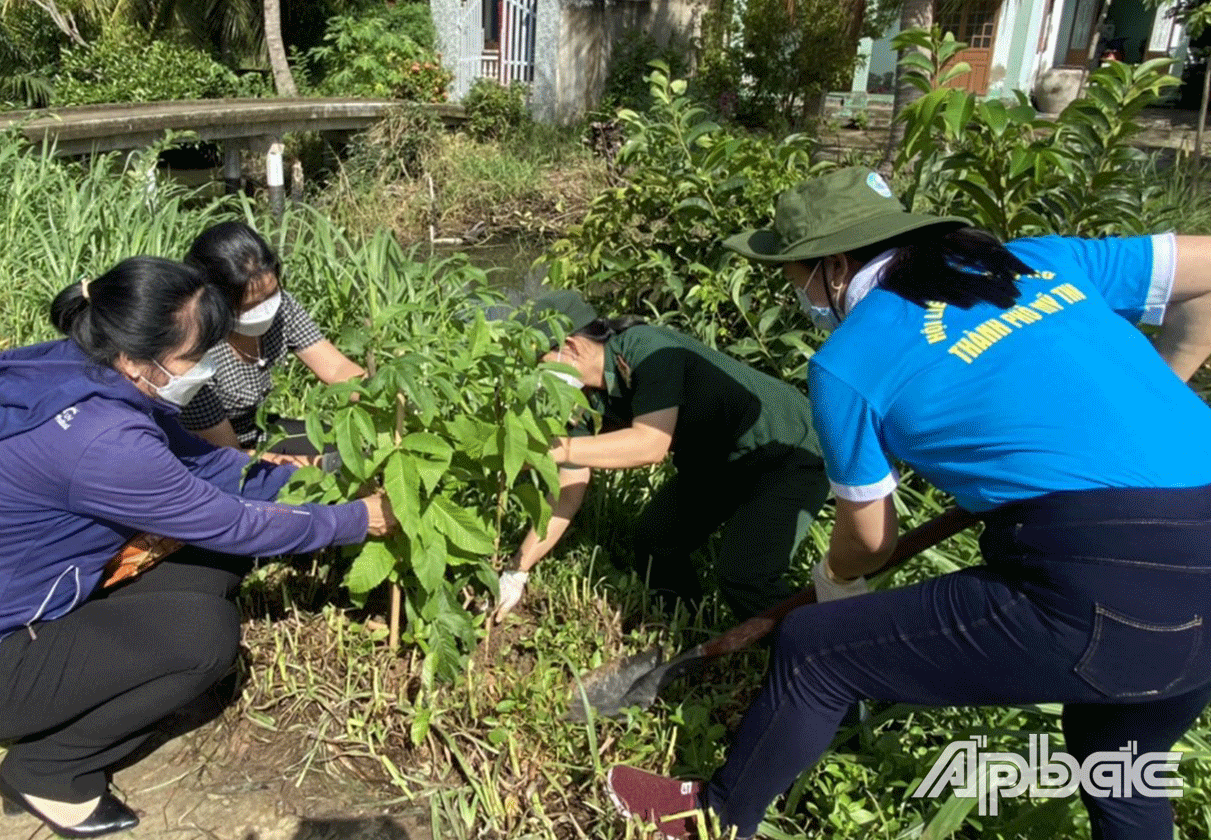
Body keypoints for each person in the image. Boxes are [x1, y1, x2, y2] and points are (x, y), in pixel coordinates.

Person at [604, 166, 1211, 840]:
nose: (796, 291)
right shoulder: (1039, 259)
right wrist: (1159, 386)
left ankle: (708, 821)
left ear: (833, 268)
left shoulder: (851, 359)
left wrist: (834, 583)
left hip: (1103, 574)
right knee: (1120, 762)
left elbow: (870, 542)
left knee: (815, 650)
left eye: (791, 275)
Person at [0, 257, 396, 839]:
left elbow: (209, 466)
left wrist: (324, 475)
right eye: (194, 355)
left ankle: (75, 716)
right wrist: (354, 520)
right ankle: (50, 770)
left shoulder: (91, 371)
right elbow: (235, 523)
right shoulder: (102, 440)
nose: (206, 366)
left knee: (211, 569)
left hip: (32, 613)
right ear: (137, 359)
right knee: (204, 640)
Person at [493, 290, 829, 624]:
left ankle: (816, 656)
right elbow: (567, 492)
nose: (535, 378)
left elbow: (649, 444)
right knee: (656, 541)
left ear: (571, 347)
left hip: (785, 449)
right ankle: (688, 629)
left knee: (746, 574)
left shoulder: (647, 349)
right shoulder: (579, 400)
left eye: (539, 363)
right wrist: (517, 570)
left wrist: (554, 449)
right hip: (714, 462)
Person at [180, 221, 365, 458]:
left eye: (270, 295)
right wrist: (319, 467)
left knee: (343, 446)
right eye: (249, 306)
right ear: (213, 302)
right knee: (323, 471)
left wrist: (379, 394)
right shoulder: (195, 351)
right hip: (208, 451)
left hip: (258, 430)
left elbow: (337, 368)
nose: (265, 310)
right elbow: (228, 457)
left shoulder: (282, 308)